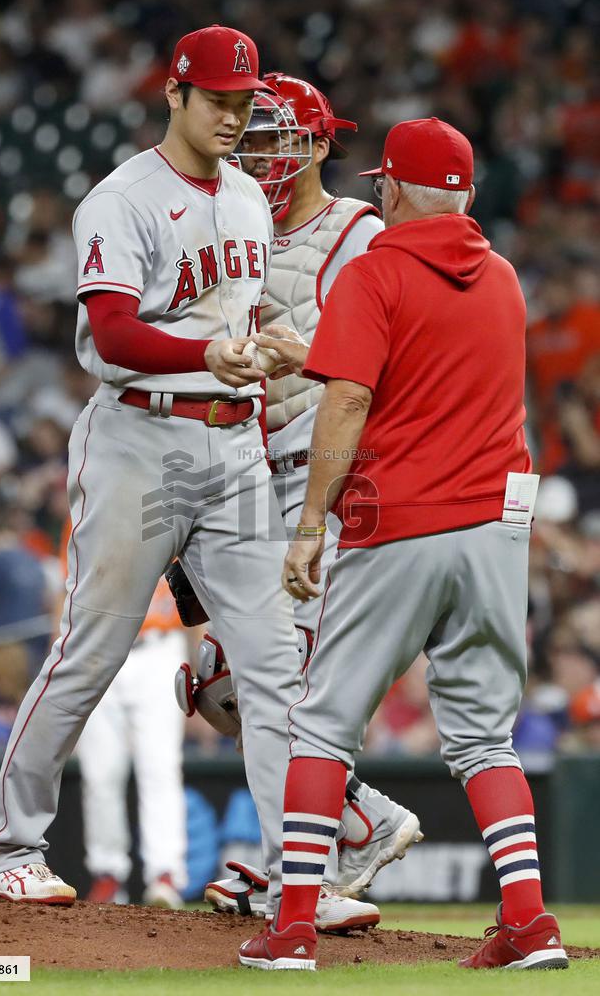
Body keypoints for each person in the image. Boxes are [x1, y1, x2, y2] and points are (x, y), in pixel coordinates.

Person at [0, 25, 357, 927]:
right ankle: (10, 848)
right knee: (91, 654)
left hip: (231, 450)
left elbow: (237, 317)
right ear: (175, 95)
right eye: (218, 100)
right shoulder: (123, 198)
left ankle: (293, 874)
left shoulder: (247, 201)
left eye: (243, 101)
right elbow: (111, 337)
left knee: (271, 665)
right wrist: (208, 353)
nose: (232, 116)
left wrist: (259, 351)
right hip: (139, 443)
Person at [239, 118, 569, 971]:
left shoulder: (373, 269)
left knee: (318, 727)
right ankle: (528, 922)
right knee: (484, 738)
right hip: (497, 529)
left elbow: (348, 405)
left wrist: (309, 525)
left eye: (382, 181)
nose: (375, 191)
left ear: (392, 187)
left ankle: (292, 927)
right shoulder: (502, 279)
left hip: (403, 521)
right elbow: (428, 374)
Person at [202, 74, 422, 927]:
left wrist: (316, 355)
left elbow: (391, 364)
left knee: (275, 678)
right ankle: (355, 820)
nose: (261, 154)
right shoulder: (234, 227)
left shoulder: (362, 232)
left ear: (321, 145)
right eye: (250, 138)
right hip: (245, 476)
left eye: (280, 139)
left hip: (330, 480)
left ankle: (301, 867)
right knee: (220, 681)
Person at [76, 575, 189, 908]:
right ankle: (107, 874)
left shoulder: (174, 518)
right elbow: (65, 588)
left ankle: (164, 875)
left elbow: (196, 587)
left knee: (161, 768)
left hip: (160, 645)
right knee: (100, 773)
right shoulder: (82, 520)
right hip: (99, 646)